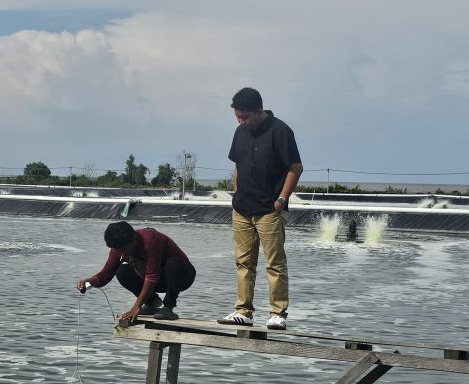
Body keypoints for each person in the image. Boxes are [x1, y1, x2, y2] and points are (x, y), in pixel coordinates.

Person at [217, 87, 303, 330]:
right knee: (243, 262)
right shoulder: (239, 132)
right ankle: (243, 311)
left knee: (274, 263)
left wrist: (282, 200)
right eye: (237, 116)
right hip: (242, 208)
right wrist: (236, 192)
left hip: (269, 210)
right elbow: (237, 166)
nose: (240, 121)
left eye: (244, 116)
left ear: (258, 111)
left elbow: (295, 168)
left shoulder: (281, 131)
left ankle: (278, 313)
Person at [76, 221, 196, 323]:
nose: (122, 254)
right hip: (156, 279)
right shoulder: (117, 249)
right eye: (119, 251)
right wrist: (88, 282)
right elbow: (105, 275)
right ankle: (151, 303)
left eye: (124, 249)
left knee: (173, 264)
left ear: (134, 240)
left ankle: (168, 307)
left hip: (181, 276)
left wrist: (136, 307)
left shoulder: (150, 239)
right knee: (122, 271)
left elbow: (152, 277)